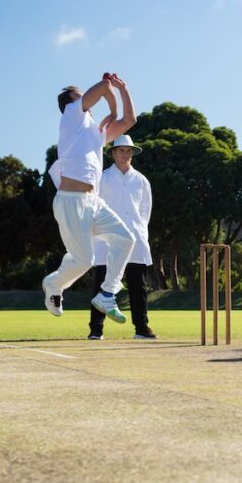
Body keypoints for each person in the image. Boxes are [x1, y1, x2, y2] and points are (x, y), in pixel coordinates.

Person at [42, 73, 137, 325]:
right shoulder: (72, 117)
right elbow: (105, 87)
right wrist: (112, 105)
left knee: (125, 238)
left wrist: (123, 89)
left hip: (93, 201)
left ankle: (107, 294)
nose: (86, 101)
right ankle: (53, 283)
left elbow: (130, 120)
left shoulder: (95, 133)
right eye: (80, 97)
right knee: (84, 260)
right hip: (71, 200)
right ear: (70, 104)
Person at [88, 135, 156, 340]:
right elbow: (93, 206)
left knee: (138, 286)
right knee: (102, 283)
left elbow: (145, 211)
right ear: (113, 153)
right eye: (121, 151)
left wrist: (140, 231)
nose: (125, 154)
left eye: (128, 151)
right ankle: (96, 329)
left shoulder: (142, 180)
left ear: (132, 154)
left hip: (135, 238)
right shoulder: (102, 177)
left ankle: (142, 328)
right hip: (107, 238)